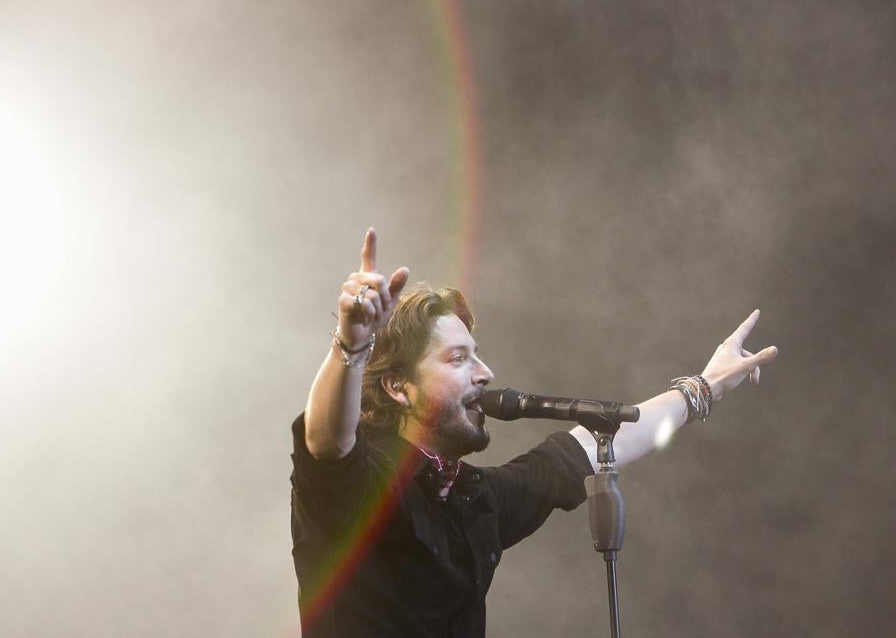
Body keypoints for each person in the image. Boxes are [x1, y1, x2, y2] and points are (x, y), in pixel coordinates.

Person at [290, 228, 778, 637]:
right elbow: (327, 442)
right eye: (458, 359)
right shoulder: (358, 484)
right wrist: (352, 346)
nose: (485, 372)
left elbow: (602, 442)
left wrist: (706, 388)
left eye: (477, 354)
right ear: (398, 387)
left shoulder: (475, 499)